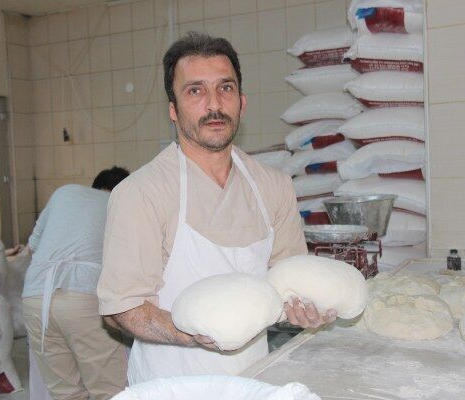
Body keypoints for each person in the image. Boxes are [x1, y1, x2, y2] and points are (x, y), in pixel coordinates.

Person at [97, 32, 337, 385]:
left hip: (253, 381)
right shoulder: (141, 192)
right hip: (171, 385)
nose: (214, 104)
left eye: (225, 88)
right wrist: (189, 333)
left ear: (242, 101)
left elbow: (288, 284)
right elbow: (120, 309)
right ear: (173, 110)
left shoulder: (273, 186)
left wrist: (303, 309)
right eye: (195, 91)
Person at [22, 166, 130, 400]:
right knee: (110, 391)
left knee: (65, 393)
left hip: (35, 296)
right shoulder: (120, 205)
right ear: (123, 190)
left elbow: (32, 247)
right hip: (83, 296)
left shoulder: (65, 192)